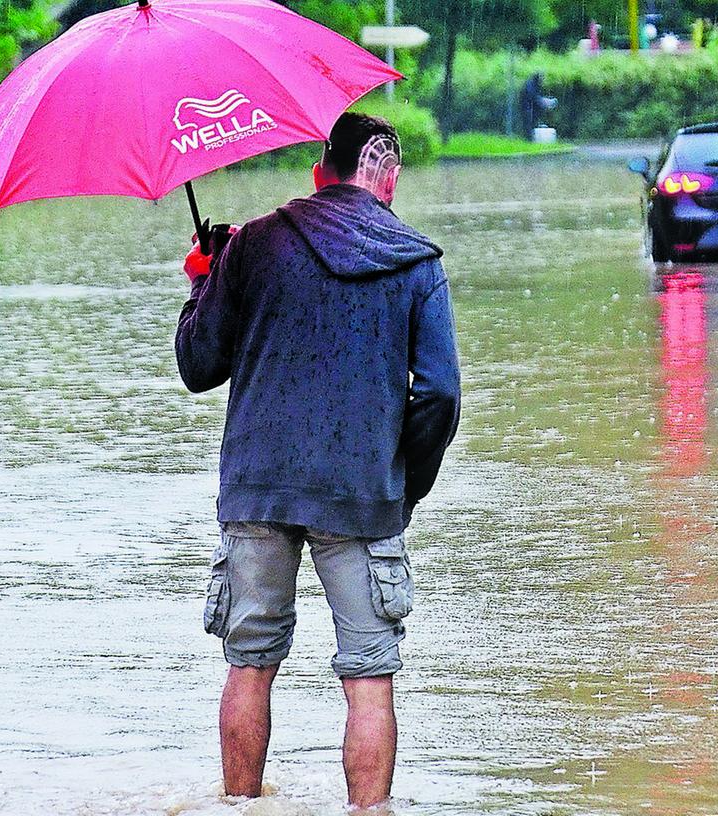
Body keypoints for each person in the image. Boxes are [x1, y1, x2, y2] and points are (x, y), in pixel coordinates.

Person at [174, 112, 460, 810]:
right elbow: (440, 394)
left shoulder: (253, 245)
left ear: (317, 170)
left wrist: (203, 281)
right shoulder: (416, 262)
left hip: (258, 489)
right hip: (360, 494)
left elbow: (196, 365)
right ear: (389, 178)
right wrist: (404, 482)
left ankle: (239, 805)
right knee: (368, 677)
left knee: (249, 666)